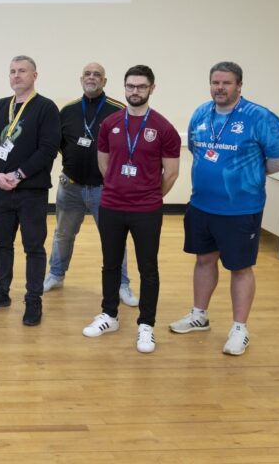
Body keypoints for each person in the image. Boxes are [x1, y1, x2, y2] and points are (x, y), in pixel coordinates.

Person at [169, 61, 279, 355]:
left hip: (240, 209)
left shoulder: (258, 116)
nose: (219, 88)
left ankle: (239, 328)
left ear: (239, 85)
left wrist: (249, 175)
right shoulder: (201, 113)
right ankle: (199, 315)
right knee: (204, 260)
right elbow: (198, 150)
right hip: (201, 204)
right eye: (215, 82)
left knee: (240, 268)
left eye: (226, 83)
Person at [82, 65, 180, 353]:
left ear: (151, 88)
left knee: (148, 268)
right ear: (123, 88)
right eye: (130, 86)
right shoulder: (110, 123)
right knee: (110, 264)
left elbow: (171, 173)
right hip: (111, 205)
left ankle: (146, 326)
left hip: (146, 210)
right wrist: (118, 187)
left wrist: (148, 195)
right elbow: (104, 164)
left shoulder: (163, 127)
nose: (134, 91)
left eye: (140, 86)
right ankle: (109, 315)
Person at [0, 55, 60, 326]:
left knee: (33, 247)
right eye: (12, 71)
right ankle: (0, 292)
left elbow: (48, 149)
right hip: (1, 188)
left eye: (22, 71)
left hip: (31, 190)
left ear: (35, 75)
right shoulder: (1, 106)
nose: (16, 75)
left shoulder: (46, 108)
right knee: (2, 243)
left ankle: (33, 300)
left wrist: (19, 175)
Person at [43, 63, 138, 307]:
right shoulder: (68, 110)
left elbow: (130, 148)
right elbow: (58, 145)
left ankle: (122, 284)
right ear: (81, 79)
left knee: (113, 239)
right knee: (63, 235)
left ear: (105, 81)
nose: (92, 78)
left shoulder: (119, 110)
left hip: (104, 189)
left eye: (97, 75)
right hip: (70, 187)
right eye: (88, 74)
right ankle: (55, 274)